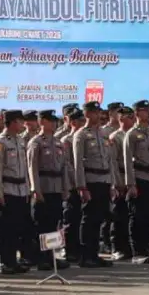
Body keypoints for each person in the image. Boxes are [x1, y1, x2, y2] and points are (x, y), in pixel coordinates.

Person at [0, 110, 34, 274]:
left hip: (21, 190)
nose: (23, 124)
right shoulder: (0, 142)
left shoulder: (20, 141)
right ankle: (5, 262)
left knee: (18, 228)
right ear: (13, 122)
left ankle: (13, 261)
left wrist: (28, 188)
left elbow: (25, 169)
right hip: (7, 190)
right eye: (20, 121)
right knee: (5, 229)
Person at [27, 109, 70, 271]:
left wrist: (65, 188)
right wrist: (36, 189)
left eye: (54, 121)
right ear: (42, 122)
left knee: (54, 224)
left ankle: (53, 256)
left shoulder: (58, 142)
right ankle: (42, 258)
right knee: (42, 224)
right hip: (43, 187)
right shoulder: (36, 142)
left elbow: (64, 167)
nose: (54, 123)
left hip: (56, 187)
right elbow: (32, 168)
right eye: (50, 120)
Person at [73, 102, 114, 268]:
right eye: (95, 112)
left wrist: (111, 183)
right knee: (88, 219)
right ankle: (86, 255)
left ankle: (94, 254)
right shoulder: (81, 135)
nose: (99, 115)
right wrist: (82, 187)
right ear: (88, 114)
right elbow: (78, 164)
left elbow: (109, 160)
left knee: (99, 219)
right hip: (90, 181)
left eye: (99, 112)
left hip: (103, 180)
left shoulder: (104, 134)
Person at [122, 100, 149, 264]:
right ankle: (137, 252)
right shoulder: (131, 134)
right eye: (145, 111)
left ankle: (147, 249)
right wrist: (131, 184)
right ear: (137, 113)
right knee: (137, 216)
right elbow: (127, 161)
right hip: (139, 178)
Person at [106, 106, 136, 261]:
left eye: (133, 117)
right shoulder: (114, 137)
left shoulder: (135, 135)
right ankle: (117, 247)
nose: (132, 120)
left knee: (133, 215)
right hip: (120, 176)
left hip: (133, 178)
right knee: (119, 215)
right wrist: (118, 183)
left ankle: (130, 247)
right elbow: (112, 163)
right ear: (121, 118)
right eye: (129, 117)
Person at [60, 109, 86, 262]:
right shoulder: (67, 140)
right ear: (73, 122)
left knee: (82, 218)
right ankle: (70, 250)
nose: (84, 124)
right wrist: (76, 182)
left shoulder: (83, 137)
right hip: (71, 184)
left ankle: (80, 248)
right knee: (71, 217)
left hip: (83, 183)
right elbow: (68, 164)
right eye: (80, 121)